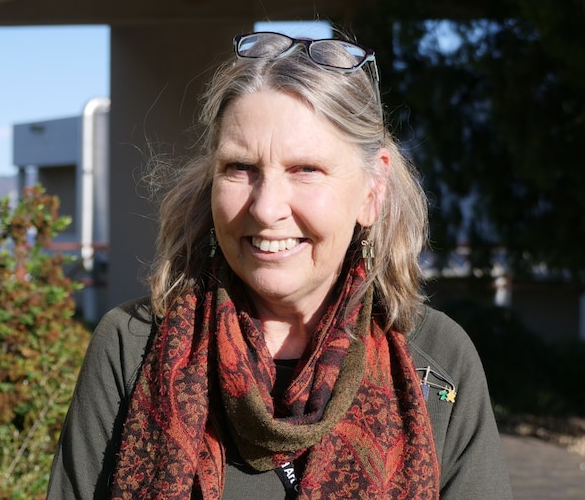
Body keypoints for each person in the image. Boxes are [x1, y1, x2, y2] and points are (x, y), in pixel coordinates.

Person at [47, 31, 513, 499]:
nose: (266, 207)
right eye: (239, 168)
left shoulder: (435, 362)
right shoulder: (132, 348)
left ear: (374, 189)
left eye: (305, 169)